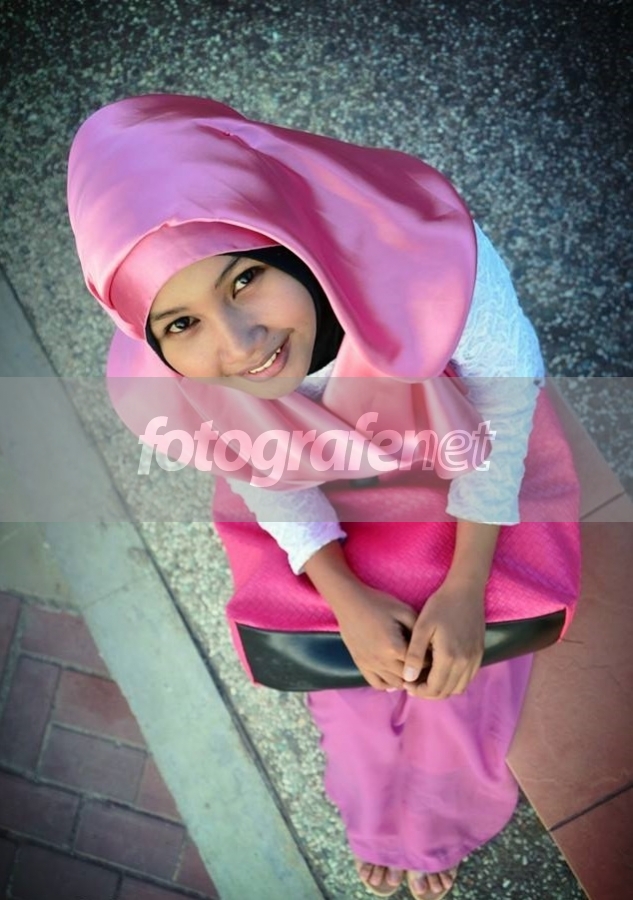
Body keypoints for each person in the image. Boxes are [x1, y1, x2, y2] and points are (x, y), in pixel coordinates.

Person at [67, 94, 580, 899]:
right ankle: (377, 819)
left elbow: (504, 413)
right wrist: (342, 594)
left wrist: (464, 584)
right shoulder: (182, 379)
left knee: (463, 677)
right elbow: (262, 473)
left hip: (470, 471)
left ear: (289, 240)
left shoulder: (434, 261)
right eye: (181, 325)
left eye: (245, 278)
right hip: (325, 498)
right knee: (351, 685)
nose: (240, 344)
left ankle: (439, 828)